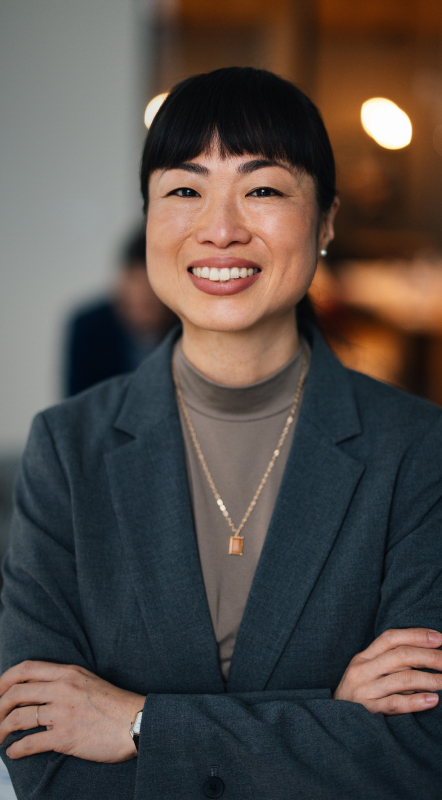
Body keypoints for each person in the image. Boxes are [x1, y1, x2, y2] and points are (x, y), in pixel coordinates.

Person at [1, 67, 442, 800]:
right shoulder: (67, 451)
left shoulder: (418, 451)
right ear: (147, 216)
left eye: (263, 189)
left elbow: (421, 756)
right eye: (184, 189)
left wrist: (140, 726)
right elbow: (40, 756)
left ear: (327, 220)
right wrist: (331, 721)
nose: (222, 227)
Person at [65, 229, 176, 396]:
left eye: (152, 283)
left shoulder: (185, 326)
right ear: (123, 280)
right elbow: (76, 405)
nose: (145, 293)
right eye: (137, 280)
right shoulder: (89, 326)